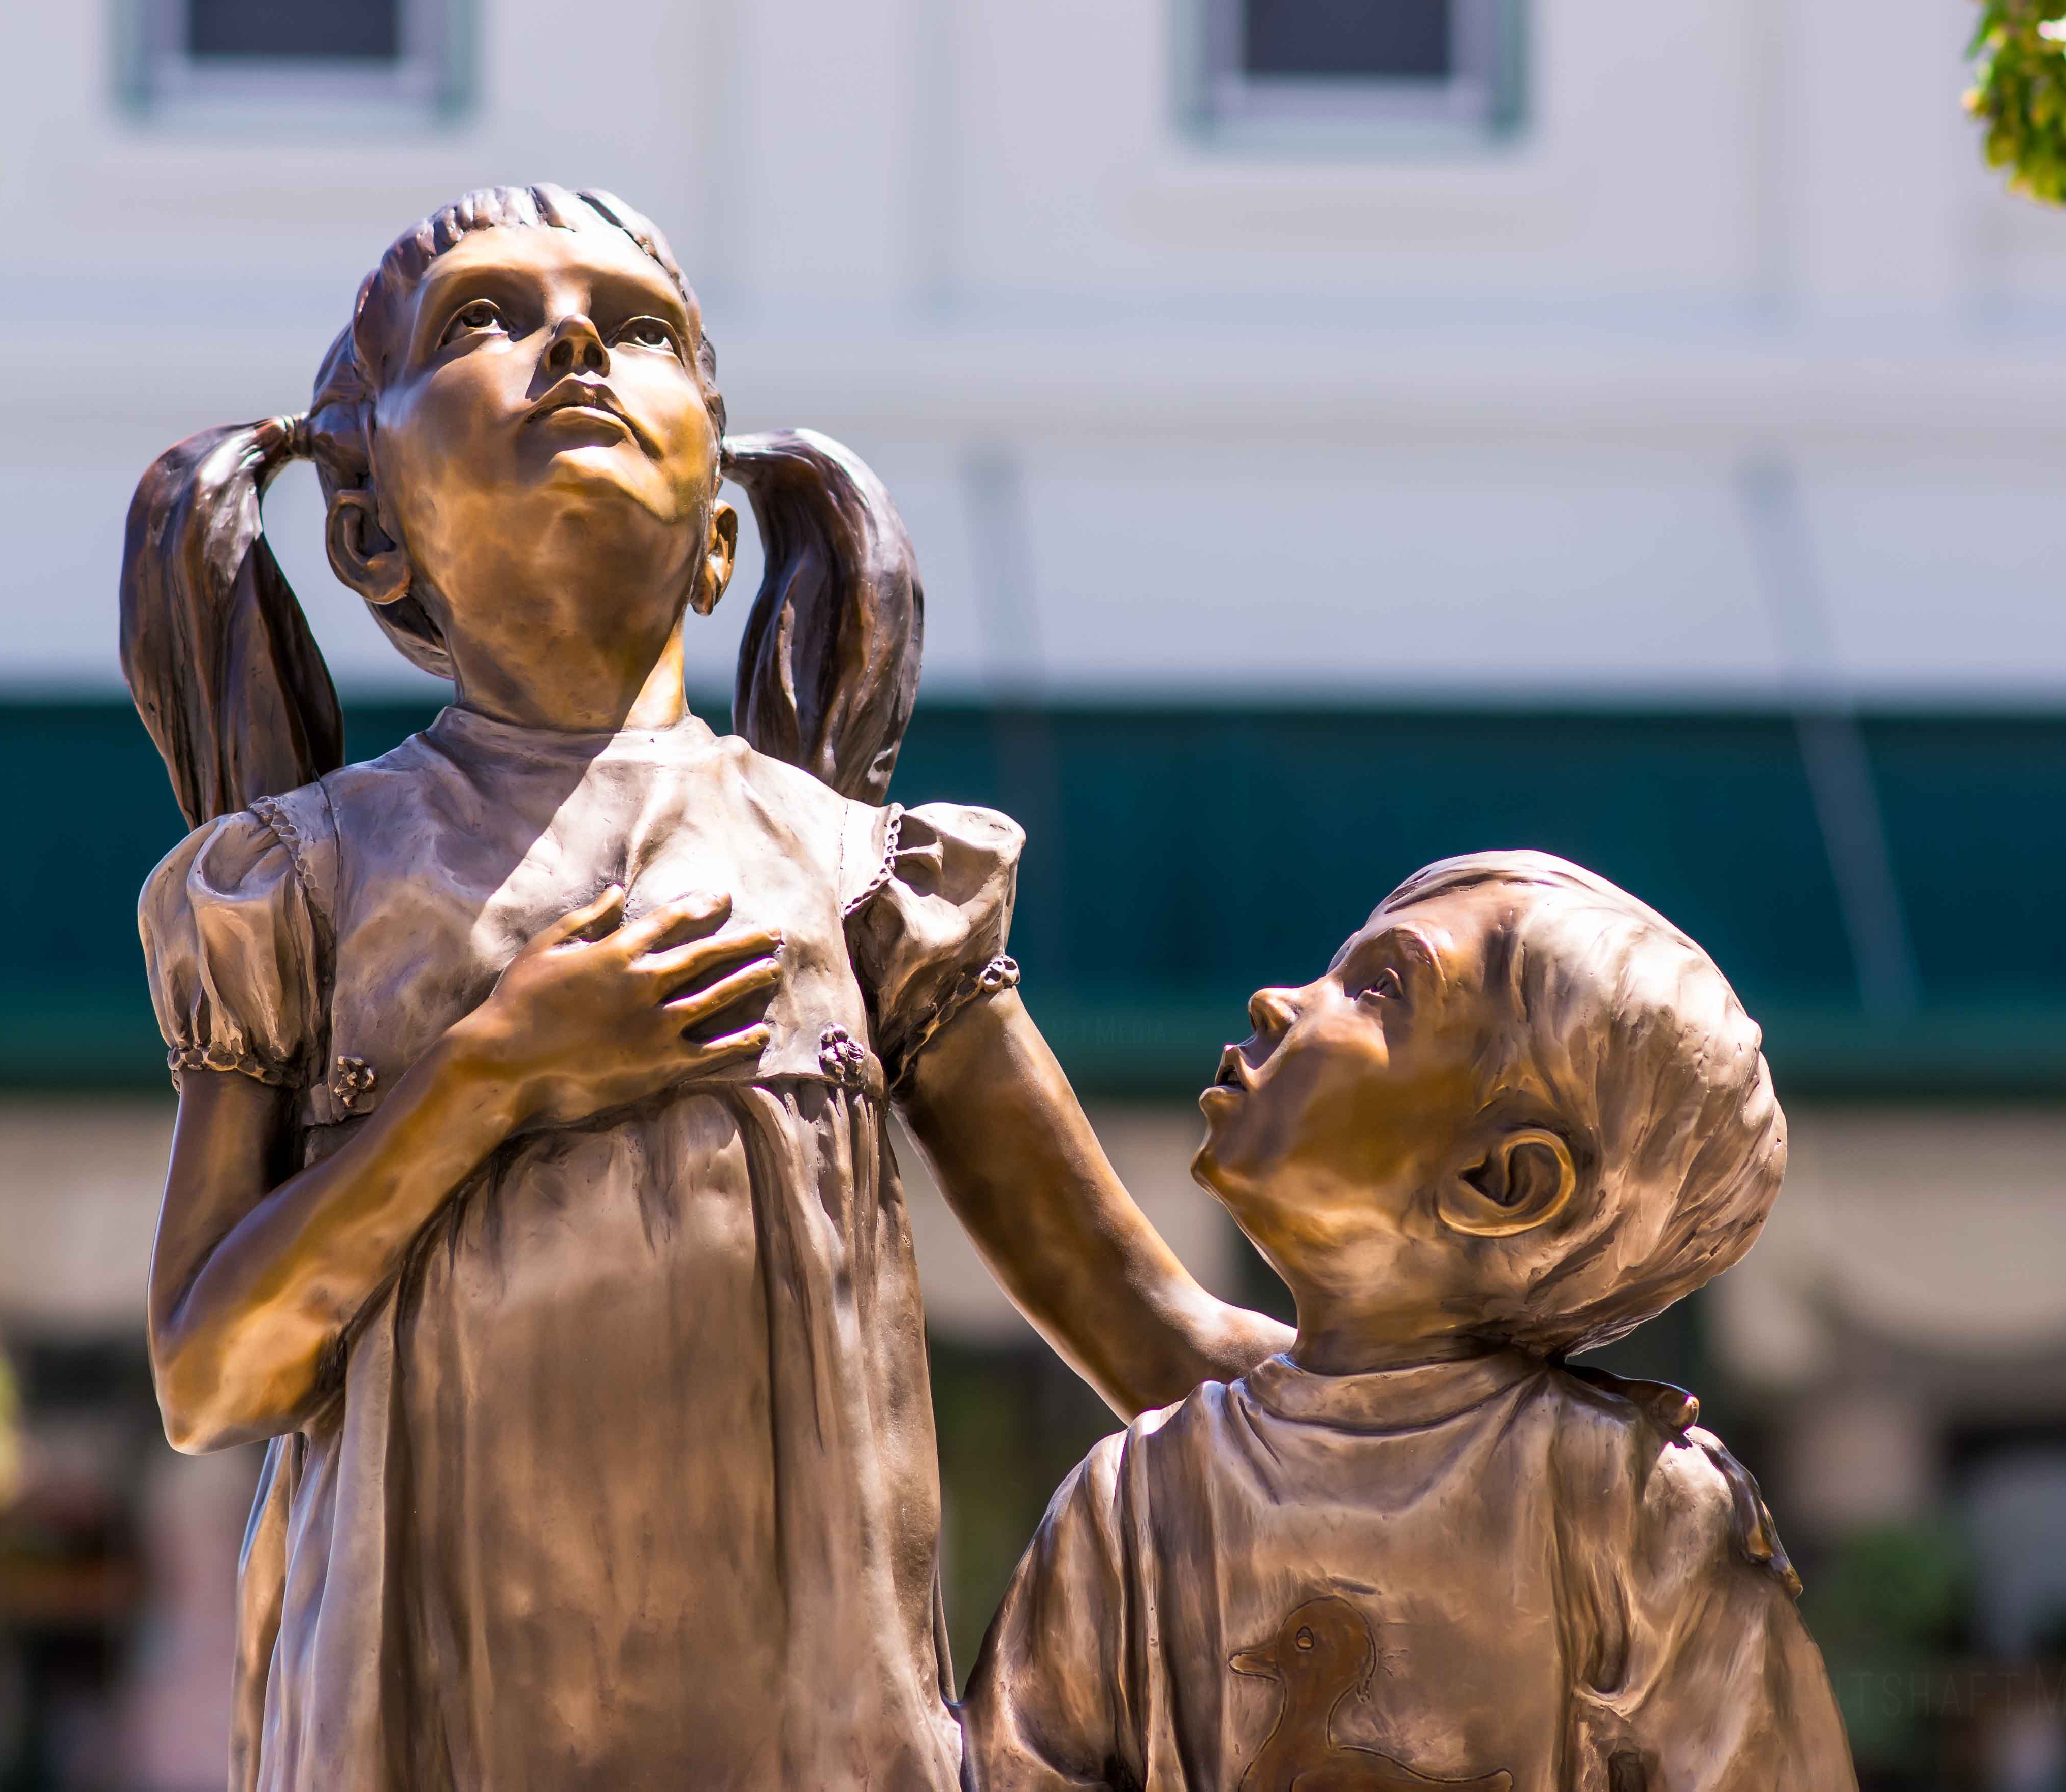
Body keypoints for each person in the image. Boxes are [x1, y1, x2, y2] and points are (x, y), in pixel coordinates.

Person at [125, 185, 1283, 1792]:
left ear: (720, 537)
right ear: (365, 523)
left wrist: (1465, 1386)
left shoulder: (866, 883)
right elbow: (212, 1377)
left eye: (639, 329)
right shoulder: (301, 880)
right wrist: (487, 1078)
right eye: (484, 321)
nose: (573, 344)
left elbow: (1152, 1334)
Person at [960, 852, 1856, 1792]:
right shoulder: (1130, 1496)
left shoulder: (1637, 1508)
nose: (1275, 1000)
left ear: (1502, 1180)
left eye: (1380, 988)